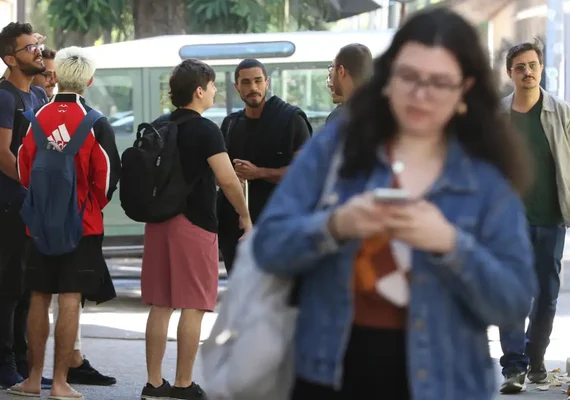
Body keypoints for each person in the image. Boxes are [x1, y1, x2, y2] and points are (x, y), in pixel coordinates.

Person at [251, 8, 536, 399]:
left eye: (439, 82)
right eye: (409, 77)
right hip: (327, 370)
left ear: (465, 90)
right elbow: (268, 245)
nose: (420, 94)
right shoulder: (338, 147)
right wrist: (335, 225)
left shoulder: (484, 175)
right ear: (387, 78)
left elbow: (513, 300)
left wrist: (450, 243)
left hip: (445, 381)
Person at [9, 45, 121, 399]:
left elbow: (24, 170)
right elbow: (106, 180)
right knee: (69, 299)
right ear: (89, 81)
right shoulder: (95, 122)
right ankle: (60, 383)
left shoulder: (36, 118)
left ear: (55, 77)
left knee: (39, 297)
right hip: (81, 226)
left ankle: (32, 379)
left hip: (38, 225)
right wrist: (87, 207)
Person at [140, 59, 251, 400]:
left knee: (160, 304)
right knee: (193, 305)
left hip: (158, 223)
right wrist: (245, 215)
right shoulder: (205, 130)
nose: (215, 91)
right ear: (199, 90)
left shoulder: (161, 125)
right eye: (213, 85)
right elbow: (227, 180)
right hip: (194, 225)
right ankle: (183, 384)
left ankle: (154, 384)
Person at [498, 39, 570, 394]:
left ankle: (535, 359)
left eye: (533, 65)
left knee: (546, 295)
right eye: (520, 67)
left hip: (551, 218)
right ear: (510, 73)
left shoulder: (562, 112)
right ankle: (513, 366)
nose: (528, 72)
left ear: (541, 68)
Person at [217, 58, 312, 273]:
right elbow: (219, 175)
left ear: (267, 83)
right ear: (237, 87)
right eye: (246, 82)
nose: (253, 88)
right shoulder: (231, 124)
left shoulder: (290, 119)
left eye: (258, 81)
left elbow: (303, 173)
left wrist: (258, 173)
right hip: (235, 229)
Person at [0, 21, 51, 390]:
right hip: (8, 206)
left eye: (37, 44)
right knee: (8, 286)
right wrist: (34, 182)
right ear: (9, 58)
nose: (38, 51)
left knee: (26, 286)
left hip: (31, 205)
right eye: (29, 47)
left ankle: (25, 365)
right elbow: (2, 155)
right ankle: (6, 364)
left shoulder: (37, 97)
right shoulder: (4, 97)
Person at [325, 43, 372, 124]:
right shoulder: (381, 112)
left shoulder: (339, 118)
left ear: (341, 71)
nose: (329, 84)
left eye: (332, 68)